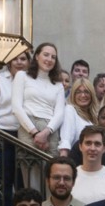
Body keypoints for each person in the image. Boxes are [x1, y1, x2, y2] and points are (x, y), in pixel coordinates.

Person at [13, 43, 66, 188]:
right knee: (31, 181)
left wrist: (46, 132)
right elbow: (16, 107)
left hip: (51, 130)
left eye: (53, 57)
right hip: (28, 128)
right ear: (36, 56)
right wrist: (35, 133)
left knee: (52, 178)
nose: (49, 59)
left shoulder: (58, 84)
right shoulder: (22, 76)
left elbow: (60, 113)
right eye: (46, 55)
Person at [71, 127, 105, 204]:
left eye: (97, 144)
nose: (92, 148)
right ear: (80, 146)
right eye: (88, 143)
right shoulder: (70, 176)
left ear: (104, 148)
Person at [60, 79, 100, 157]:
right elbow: (66, 138)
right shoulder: (70, 110)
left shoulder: (94, 117)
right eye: (78, 92)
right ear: (73, 95)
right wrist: (63, 159)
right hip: (75, 160)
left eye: (86, 92)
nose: (83, 95)